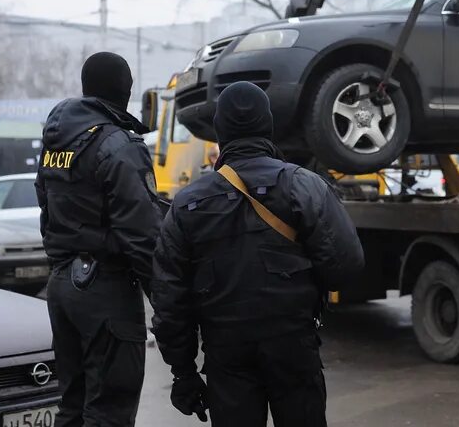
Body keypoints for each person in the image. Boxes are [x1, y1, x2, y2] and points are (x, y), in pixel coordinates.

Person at [152, 81, 365, 427]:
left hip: (226, 355)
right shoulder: (303, 186)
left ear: (219, 132)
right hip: (293, 347)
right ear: (268, 126)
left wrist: (183, 373)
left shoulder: (187, 204)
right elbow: (347, 265)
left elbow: (169, 300)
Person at [36, 51, 162, 427]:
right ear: (125, 91)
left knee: (73, 406)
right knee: (109, 410)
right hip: (105, 291)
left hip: (62, 285)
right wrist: (169, 303)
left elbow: (46, 209)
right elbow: (143, 236)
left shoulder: (56, 143)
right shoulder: (119, 146)